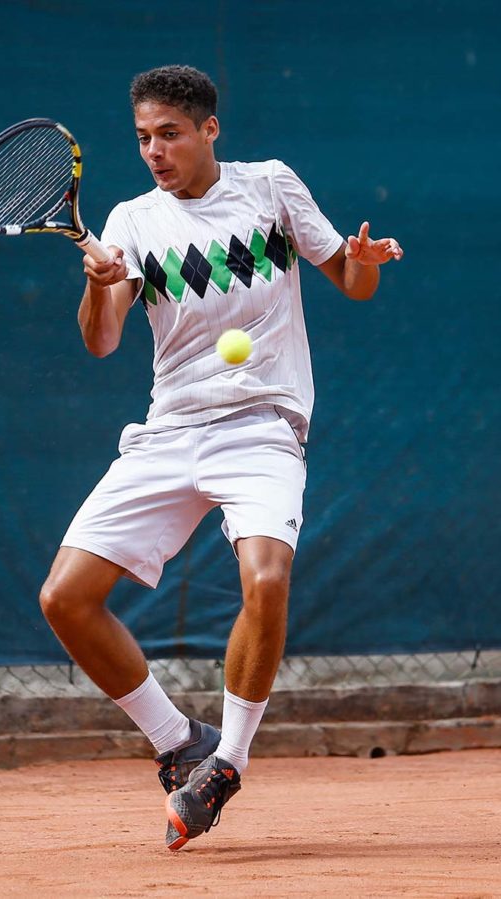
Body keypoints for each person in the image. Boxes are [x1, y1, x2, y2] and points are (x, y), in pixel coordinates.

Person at [39, 64, 403, 851]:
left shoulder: (269, 186)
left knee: (266, 580)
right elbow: (102, 340)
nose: (154, 151)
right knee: (65, 598)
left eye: (169, 133)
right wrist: (99, 284)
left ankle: (226, 763)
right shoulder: (130, 221)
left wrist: (365, 259)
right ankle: (179, 741)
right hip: (170, 429)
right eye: (143, 137)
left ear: (209, 129)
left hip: (263, 423)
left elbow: (351, 281)